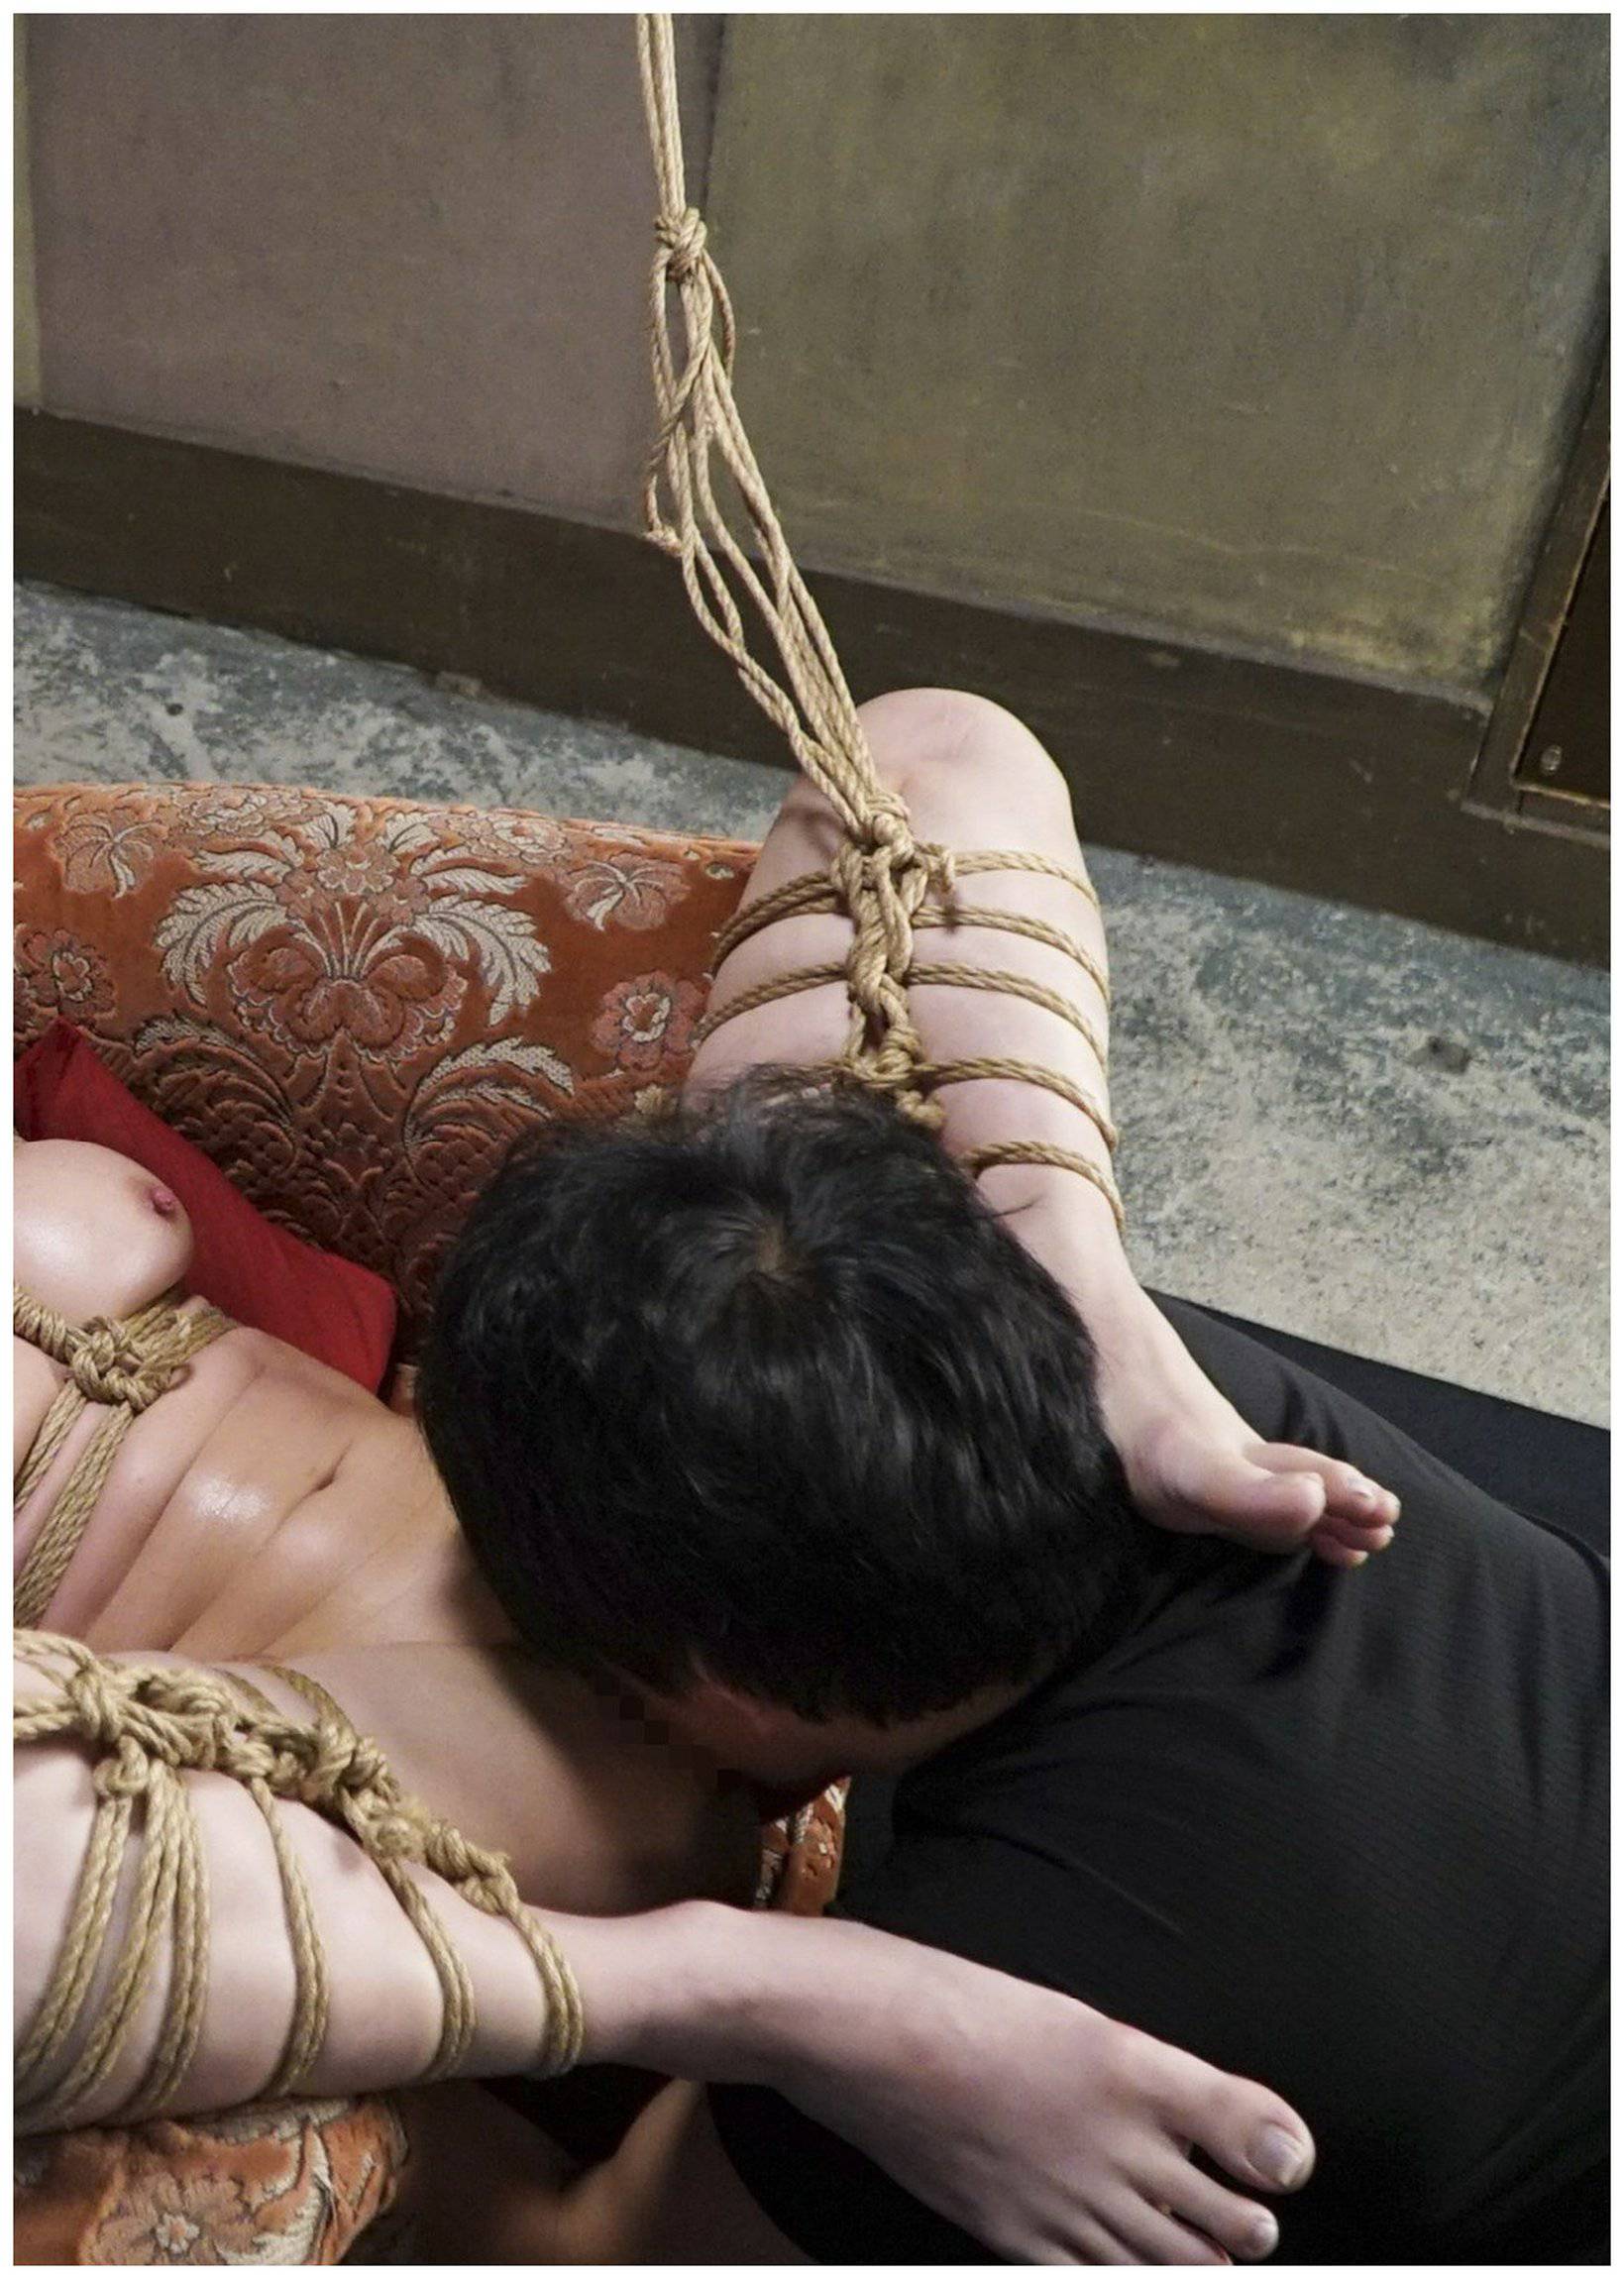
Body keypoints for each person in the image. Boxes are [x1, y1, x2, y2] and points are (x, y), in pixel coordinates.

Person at [415, 688, 1608, 2263]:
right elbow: (924, 740)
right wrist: (1076, 1257)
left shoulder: (997, 2039)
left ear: (732, 1693)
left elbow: (576, 2251)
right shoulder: (1117, 1377)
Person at [14, 1122, 1316, 2261]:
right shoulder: (613, 1791)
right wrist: (736, 1985)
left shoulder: (599, 1794)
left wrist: (1079, 1265)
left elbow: (895, 832)